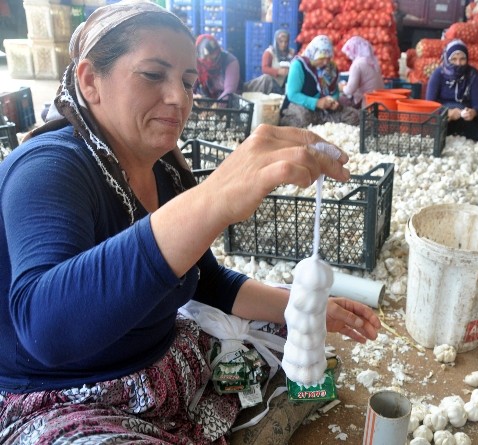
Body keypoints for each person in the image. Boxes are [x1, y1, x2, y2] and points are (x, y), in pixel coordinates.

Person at [0, 1, 381, 443]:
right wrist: (212, 199)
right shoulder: (48, 169)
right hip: (65, 395)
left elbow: (209, 283)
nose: (178, 98)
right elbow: (46, 330)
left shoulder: (163, 169)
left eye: (187, 81)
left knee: (287, 324)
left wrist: (311, 308)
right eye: (153, 74)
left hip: (159, 366)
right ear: (90, 81)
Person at [279, 35, 360, 127]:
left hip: (324, 110)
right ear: (313, 54)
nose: (325, 62)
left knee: (354, 116)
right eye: (321, 58)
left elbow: (335, 91)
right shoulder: (299, 65)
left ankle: (325, 128)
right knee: (303, 118)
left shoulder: (330, 68)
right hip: (300, 106)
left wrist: (333, 100)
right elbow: (293, 94)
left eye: (328, 58)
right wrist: (316, 103)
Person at [426, 39, 478, 141]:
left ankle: (458, 132)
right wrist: (448, 112)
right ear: (447, 59)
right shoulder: (438, 74)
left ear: (467, 59)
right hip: (444, 115)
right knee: (433, 128)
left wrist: (473, 112)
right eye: (453, 59)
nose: (458, 63)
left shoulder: (473, 74)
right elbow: (429, 104)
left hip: (465, 115)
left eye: (462, 59)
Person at [244, 29, 296, 95]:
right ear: (276, 41)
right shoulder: (269, 52)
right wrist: (278, 71)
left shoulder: (291, 53)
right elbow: (264, 68)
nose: (283, 44)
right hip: (273, 84)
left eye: (286, 42)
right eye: (281, 42)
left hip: (287, 84)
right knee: (266, 78)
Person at [339, 36, 385, 109]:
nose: (349, 55)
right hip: (380, 101)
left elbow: (349, 90)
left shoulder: (357, 65)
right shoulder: (372, 62)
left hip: (366, 103)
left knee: (338, 100)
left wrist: (341, 87)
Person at [194, 33, 241, 100]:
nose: (210, 61)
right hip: (205, 100)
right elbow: (190, 89)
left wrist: (216, 107)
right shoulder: (196, 63)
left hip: (228, 103)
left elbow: (229, 91)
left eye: (213, 57)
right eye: (206, 58)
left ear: (218, 51)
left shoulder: (230, 61)